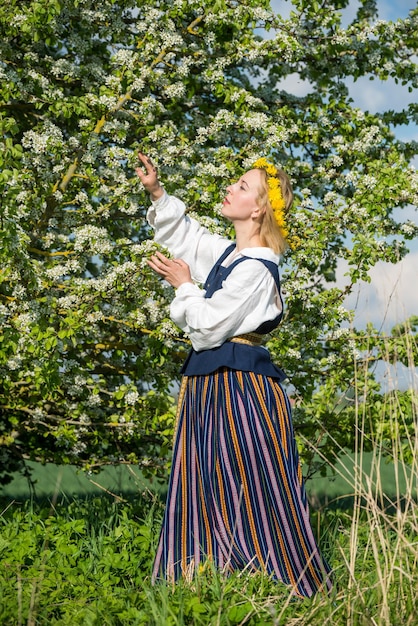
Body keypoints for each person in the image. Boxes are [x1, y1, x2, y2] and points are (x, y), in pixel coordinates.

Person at [135, 152, 332, 598]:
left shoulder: (258, 273)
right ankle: (203, 574)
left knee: (251, 478)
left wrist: (185, 285)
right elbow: (188, 238)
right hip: (211, 384)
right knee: (204, 475)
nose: (230, 188)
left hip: (242, 389)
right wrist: (157, 192)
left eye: (242, 186)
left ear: (258, 208)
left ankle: (278, 579)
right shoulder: (232, 257)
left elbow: (206, 329)